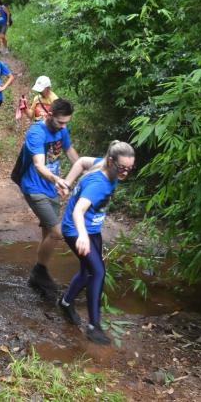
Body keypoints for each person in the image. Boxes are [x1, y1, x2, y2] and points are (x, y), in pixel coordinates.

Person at [57, 141, 136, 345]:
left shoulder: (104, 164)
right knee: (98, 272)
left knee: (87, 271)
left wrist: (66, 182)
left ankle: (65, 302)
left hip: (91, 230)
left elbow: (82, 161)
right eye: (122, 168)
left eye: (129, 169)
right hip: (76, 230)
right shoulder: (98, 185)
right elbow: (77, 211)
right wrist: (82, 235)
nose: (125, 173)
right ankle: (94, 326)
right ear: (111, 161)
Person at [18, 98, 79, 297]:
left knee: (47, 232)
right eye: (61, 122)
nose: (64, 126)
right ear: (50, 115)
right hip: (34, 187)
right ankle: (39, 271)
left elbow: (69, 151)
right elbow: (38, 165)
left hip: (52, 188)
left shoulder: (62, 129)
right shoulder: (36, 133)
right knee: (56, 232)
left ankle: (39, 276)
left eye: (67, 123)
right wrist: (56, 179)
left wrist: (84, 172)